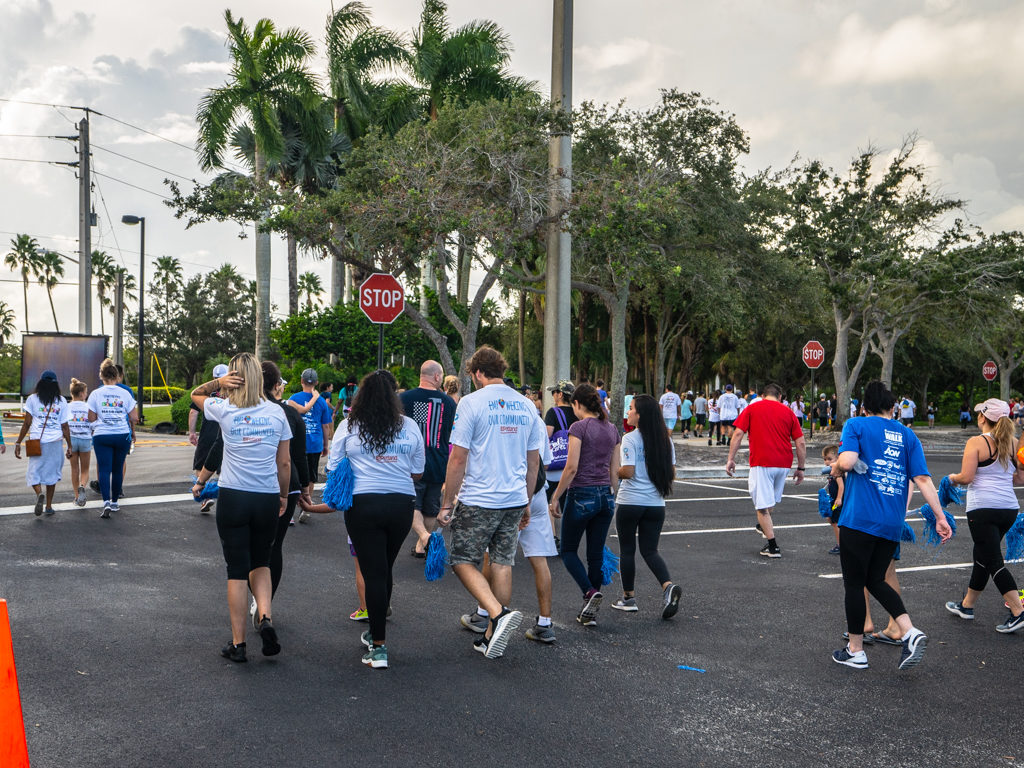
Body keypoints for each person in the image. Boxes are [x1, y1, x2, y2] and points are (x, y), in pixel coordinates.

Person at [303, 370, 424, 669]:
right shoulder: (409, 426)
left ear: (361, 395)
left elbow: (333, 466)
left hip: (363, 504)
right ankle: (375, 633)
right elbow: (418, 471)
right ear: (394, 395)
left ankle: (379, 647)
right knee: (385, 568)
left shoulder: (350, 425)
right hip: (401, 503)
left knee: (373, 572)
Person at [830, 380, 951, 671]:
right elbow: (923, 480)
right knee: (875, 580)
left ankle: (856, 650)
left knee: (854, 584)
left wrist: (835, 466)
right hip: (891, 523)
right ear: (891, 406)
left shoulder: (856, 425)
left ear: (865, 406)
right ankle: (909, 631)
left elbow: (847, 462)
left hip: (859, 519)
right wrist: (941, 517)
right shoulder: (908, 436)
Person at [438, 346, 543, 660]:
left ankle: (497, 615)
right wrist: (526, 500)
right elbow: (533, 462)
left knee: (461, 560)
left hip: (480, 497)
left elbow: (458, 459)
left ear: (477, 373)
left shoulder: (471, 403)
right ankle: (490, 637)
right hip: (513, 497)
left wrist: (446, 503)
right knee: (502, 562)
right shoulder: (527, 406)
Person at [192, 352, 291, 663]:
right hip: (266, 496)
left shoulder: (225, 409)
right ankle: (264, 616)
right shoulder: (277, 414)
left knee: (236, 570)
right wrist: (284, 496)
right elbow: (284, 462)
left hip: (234, 496)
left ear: (235, 378)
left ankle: (239, 645)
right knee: (261, 562)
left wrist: (218, 383)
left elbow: (195, 395)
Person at [944, 398, 1024, 633]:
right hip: (1008, 509)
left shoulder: (976, 442)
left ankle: (1018, 611)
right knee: (982, 554)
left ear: (982, 418)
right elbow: (1019, 479)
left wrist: (951, 478)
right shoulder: (1013, 443)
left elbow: (967, 477)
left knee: (992, 560)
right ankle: (967, 606)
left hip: (982, 509)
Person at [548, 383, 620, 626]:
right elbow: (614, 471)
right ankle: (590, 611)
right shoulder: (612, 429)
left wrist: (556, 496)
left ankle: (589, 593)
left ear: (577, 404)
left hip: (582, 494)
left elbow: (571, 467)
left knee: (568, 550)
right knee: (595, 555)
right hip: (605, 497)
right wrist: (613, 497)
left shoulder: (578, 427)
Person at [611, 394, 682, 618]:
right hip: (655, 503)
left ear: (640, 415)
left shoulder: (630, 439)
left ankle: (628, 597)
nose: (628, 413)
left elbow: (628, 471)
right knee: (650, 550)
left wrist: (614, 470)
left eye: (631, 409)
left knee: (627, 550)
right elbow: (672, 474)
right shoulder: (665, 440)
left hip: (630, 501)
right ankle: (667, 586)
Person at [725, 382, 806, 558]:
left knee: (762, 506)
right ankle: (763, 526)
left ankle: (772, 546)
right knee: (769, 502)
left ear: (763, 395)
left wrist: (731, 458)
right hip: (783, 463)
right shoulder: (788, 412)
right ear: (780, 397)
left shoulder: (753, 408)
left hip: (762, 462)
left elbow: (738, 434)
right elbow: (800, 442)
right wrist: (801, 468)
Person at [400, 360, 456, 557]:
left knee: (412, 503)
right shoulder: (449, 402)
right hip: (438, 460)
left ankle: (423, 537)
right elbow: (450, 434)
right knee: (431, 506)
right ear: (437, 377)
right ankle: (421, 545)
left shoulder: (404, 398)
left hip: (409, 461)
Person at [13, 370, 72, 517]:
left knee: (33, 473)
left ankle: (39, 493)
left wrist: (18, 442)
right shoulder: (62, 401)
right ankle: (49, 506)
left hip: (36, 441)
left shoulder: (32, 399)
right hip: (55, 442)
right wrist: (70, 446)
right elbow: (65, 426)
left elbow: (27, 423)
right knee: (51, 475)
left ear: (40, 382)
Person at [87, 359, 138, 518]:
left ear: (101, 376)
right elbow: (134, 417)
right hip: (121, 434)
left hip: (102, 435)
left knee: (104, 469)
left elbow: (91, 417)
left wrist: (100, 423)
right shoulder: (125, 393)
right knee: (117, 469)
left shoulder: (96, 393)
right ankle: (115, 502)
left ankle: (106, 502)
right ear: (117, 376)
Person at [288, 368, 334, 521]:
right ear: (316, 383)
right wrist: (326, 445)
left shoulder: (294, 398)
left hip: (296, 443)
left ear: (301, 381)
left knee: (294, 475)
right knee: (310, 477)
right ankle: (306, 507)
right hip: (314, 443)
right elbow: (325, 426)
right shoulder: (321, 401)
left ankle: (290, 511)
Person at [188, 363, 229, 514]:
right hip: (226, 432)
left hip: (208, 433)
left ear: (214, 378)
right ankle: (225, 499)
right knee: (223, 468)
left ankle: (204, 496)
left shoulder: (205, 392)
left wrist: (192, 432)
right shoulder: (235, 392)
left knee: (201, 464)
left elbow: (194, 412)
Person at [544, 380, 578, 547]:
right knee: (567, 505)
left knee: (547, 503)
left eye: (554, 392)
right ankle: (568, 540)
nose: (553, 396)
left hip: (554, 468)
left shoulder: (553, 412)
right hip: (572, 466)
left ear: (560, 394)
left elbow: (547, 435)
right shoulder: (578, 413)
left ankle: (552, 539)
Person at [67, 378, 93, 507]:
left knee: (74, 469)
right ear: (82, 394)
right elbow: (93, 423)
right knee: (85, 469)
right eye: (86, 392)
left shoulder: (67, 407)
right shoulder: (88, 407)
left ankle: (77, 497)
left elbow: (63, 425)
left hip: (71, 440)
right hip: (85, 439)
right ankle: (82, 485)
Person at [822, 444, 843, 555]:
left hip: (837, 501)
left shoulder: (837, 472)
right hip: (834, 500)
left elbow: (841, 486)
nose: (827, 462)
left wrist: (839, 498)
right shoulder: (831, 472)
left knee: (835, 522)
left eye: (830, 459)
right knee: (831, 519)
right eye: (825, 459)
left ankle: (841, 545)